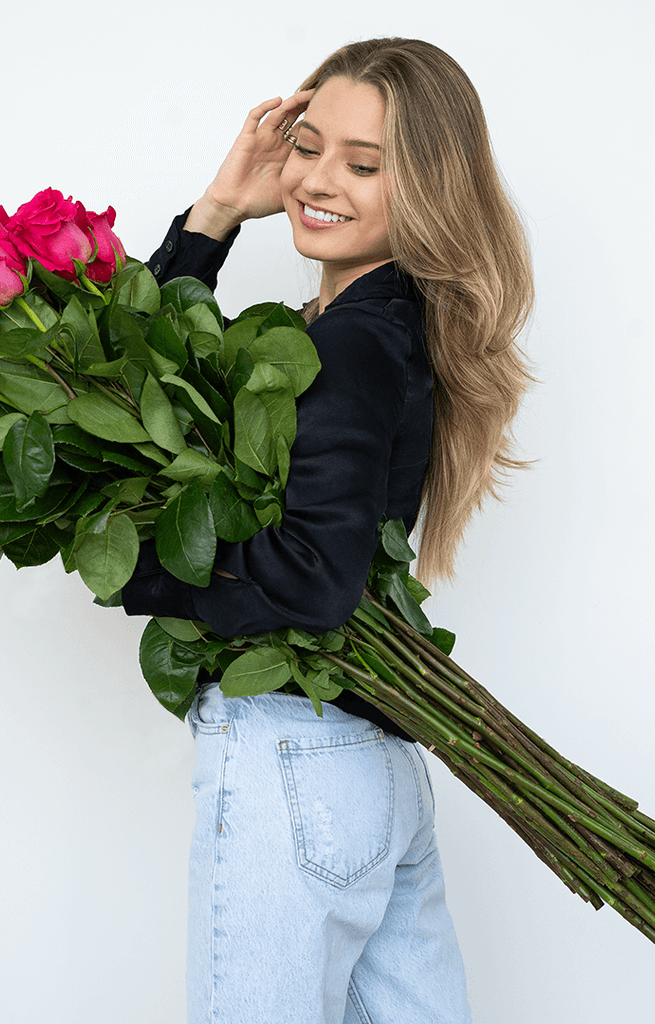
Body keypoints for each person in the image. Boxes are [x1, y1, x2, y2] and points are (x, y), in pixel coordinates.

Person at [119, 37, 533, 1024]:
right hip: (374, 769)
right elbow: (154, 373)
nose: (315, 181)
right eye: (307, 147)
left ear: (426, 185)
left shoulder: (347, 341)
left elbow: (314, 578)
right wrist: (215, 212)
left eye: (364, 162)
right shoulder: (382, 322)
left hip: (290, 763)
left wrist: (144, 572)